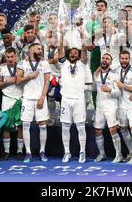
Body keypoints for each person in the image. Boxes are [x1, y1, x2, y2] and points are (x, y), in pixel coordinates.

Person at [51, 25, 89, 163]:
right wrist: (61, 34)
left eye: (75, 53)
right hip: (66, 99)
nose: (73, 54)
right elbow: (60, 49)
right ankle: (67, 152)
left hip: (79, 99)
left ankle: (82, 152)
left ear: (78, 55)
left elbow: (85, 50)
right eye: (71, 52)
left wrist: (82, 34)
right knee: (65, 126)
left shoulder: (83, 64)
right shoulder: (64, 64)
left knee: (80, 126)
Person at [16, 43, 51, 163]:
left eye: (41, 49)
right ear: (31, 50)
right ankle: (28, 152)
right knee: (26, 124)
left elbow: (47, 82)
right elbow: (18, 80)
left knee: (42, 125)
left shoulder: (44, 63)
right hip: (27, 98)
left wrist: (42, 97)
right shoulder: (22, 63)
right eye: (38, 49)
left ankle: (42, 151)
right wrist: (30, 76)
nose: (40, 51)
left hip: (40, 98)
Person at [92, 53, 122, 162]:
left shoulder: (115, 74)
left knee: (112, 129)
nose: (104, 60)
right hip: (100, 105)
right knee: (97, 130)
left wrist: (110, 90)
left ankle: (119, 155)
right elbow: (94, 89)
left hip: (111, 106)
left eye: (107, 59)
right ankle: (102, 154)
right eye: (103, 58)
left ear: (111, 61)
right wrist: (94, 75)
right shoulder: (97, 74)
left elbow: (119, 93)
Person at [0, 47, 24, 160]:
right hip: (7, 98)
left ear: (16, 56)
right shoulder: (1, 68)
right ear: (5, 57)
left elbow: (22, 80)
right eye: (8, 57)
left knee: (20, 126)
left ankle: (19, 151)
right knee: (6, 126)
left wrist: (15, 79)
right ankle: (7, 151)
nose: (10, 59)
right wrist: (7, 81)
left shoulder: (22, 66)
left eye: (12, 56)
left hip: (20, 98)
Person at [116, 50, 132, 163]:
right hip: (120, 104)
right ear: (119, 58)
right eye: (122, 58)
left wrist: (124, 86)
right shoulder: (116, 70)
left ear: (129, 59)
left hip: (131, 105)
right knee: (123, 129)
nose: (124, 61)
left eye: (126, 58)